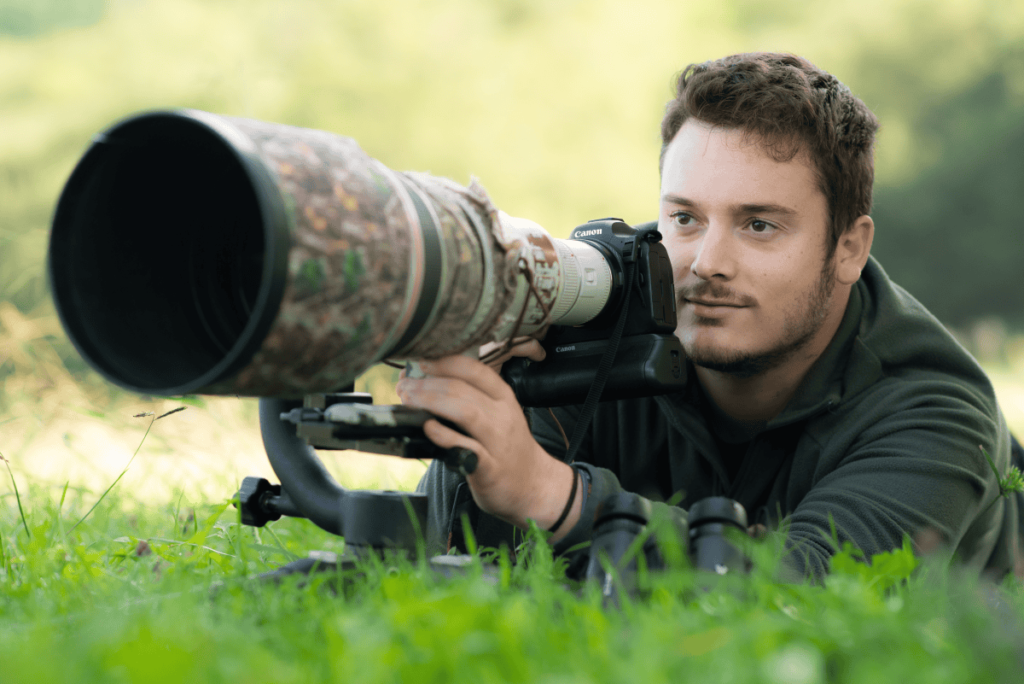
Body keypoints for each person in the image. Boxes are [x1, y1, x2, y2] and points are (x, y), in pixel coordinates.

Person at [396, 52, 1021, 580]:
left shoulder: (936, 414)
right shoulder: (601, 324)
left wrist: (552, 496)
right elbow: (442, 562)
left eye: (759, 225)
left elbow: (804, 595)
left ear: (849, 247)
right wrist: (491, 397)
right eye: (685, 219)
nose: (706, 264)